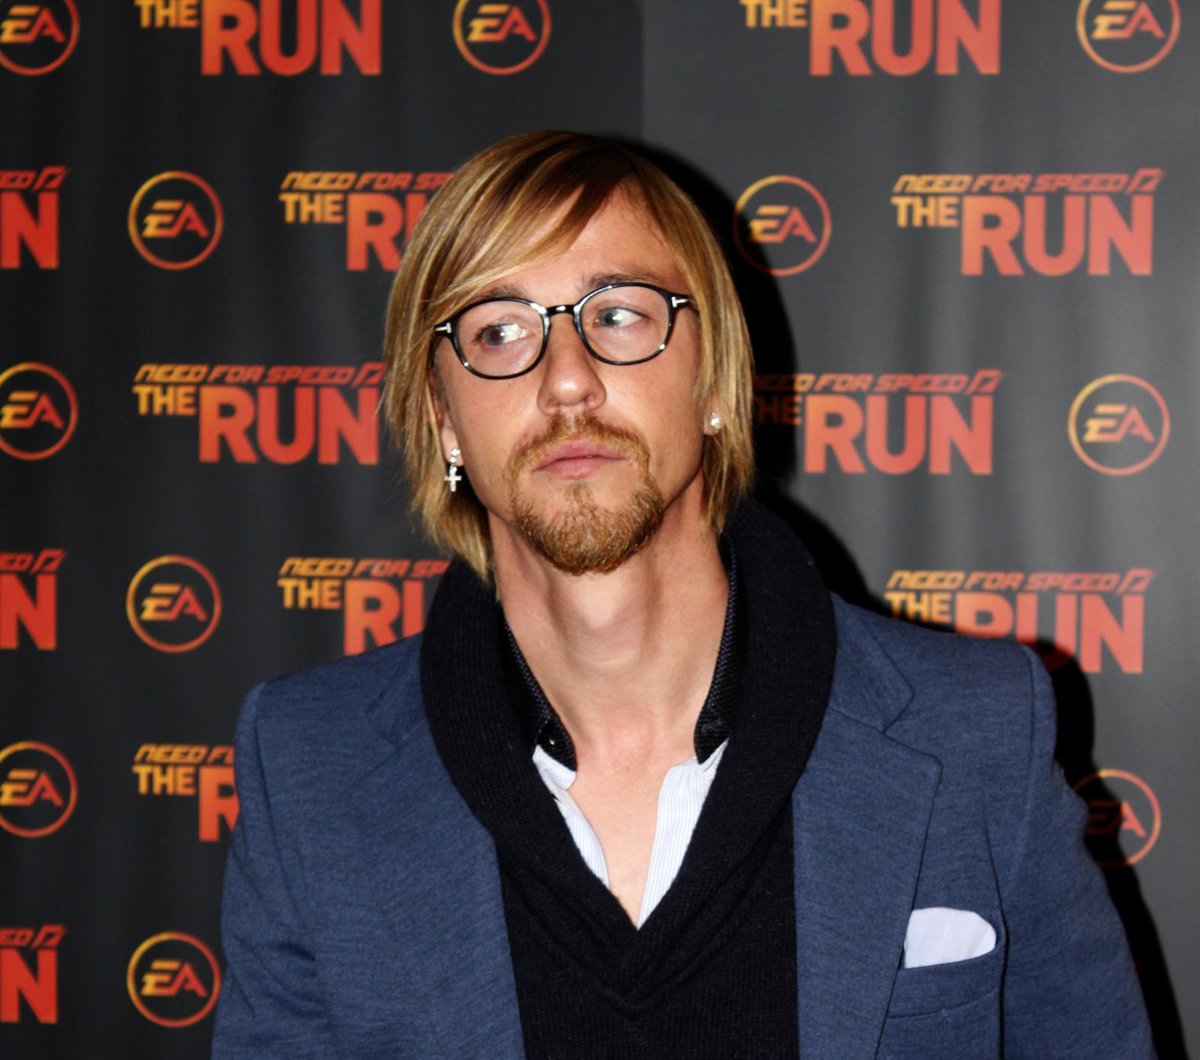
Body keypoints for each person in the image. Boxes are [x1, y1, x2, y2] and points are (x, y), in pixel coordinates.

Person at [213, 131, 1154, 1058]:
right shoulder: (308, 769)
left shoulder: (976, 735)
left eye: (619, 315)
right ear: (442, 417)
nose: (567, 381)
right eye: (499, 330)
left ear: (712, 376)